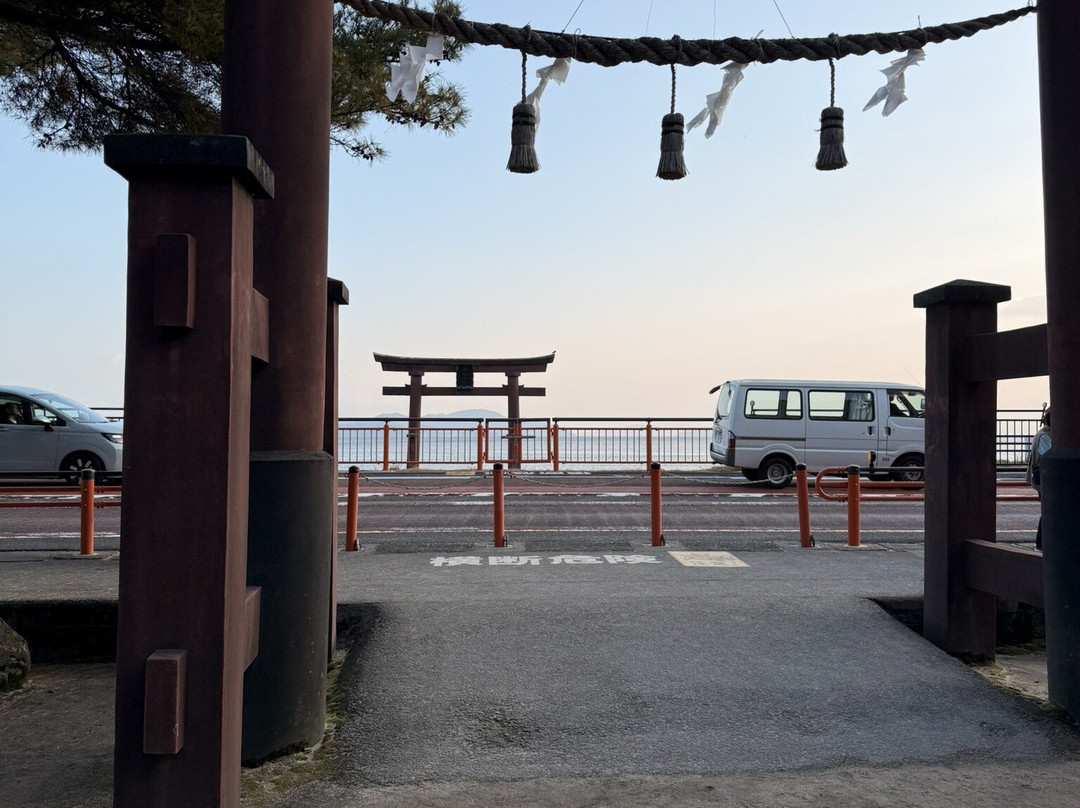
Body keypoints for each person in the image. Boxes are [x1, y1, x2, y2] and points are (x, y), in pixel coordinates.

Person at [1026, 407, 1052, 551]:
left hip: (1043, 479)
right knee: (1048, 511)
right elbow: (1050, 454)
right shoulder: (1045, 436)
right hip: (1046, 479)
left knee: (1048, 510)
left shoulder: (1043, 434)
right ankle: (1041, 544)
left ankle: (1042, 543)